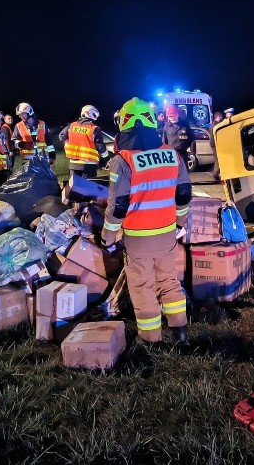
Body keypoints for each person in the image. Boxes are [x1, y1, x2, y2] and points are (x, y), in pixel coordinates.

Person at [102, 97, 192, 344]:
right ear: (152, 121)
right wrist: (181, 222)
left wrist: (107, 237)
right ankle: (180, 332)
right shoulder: (171, 154)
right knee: (168, 281)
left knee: (142, 287)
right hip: (166, 232)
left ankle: (150, 339)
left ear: (124, 122)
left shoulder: (123, 160)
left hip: (139, 236)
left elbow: (118, 206)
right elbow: (183, 193)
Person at [59, 105, 110, 178]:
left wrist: (69, 143)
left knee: (75, 187)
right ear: (91, 113)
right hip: (89, 165)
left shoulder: (72, 125)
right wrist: (106, 158)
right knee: (87, 188)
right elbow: (100, 146)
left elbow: (61, 136)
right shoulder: (94, 128)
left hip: (73, 164)